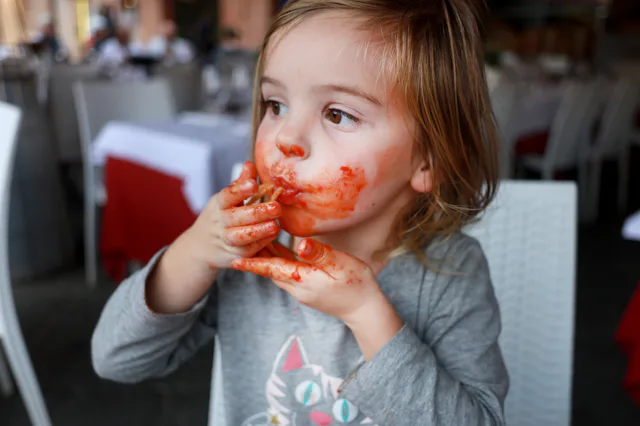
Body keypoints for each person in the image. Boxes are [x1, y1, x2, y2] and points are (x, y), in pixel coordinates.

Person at [92, 1, 508, 425]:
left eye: (337, 113)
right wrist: (192, 254)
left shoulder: (451, 272)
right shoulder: (249, 255)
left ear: (428, 159)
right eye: (275, 105)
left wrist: (365, 313)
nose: (286, 137)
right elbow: (115, 359)